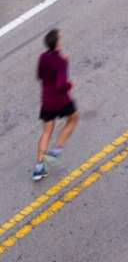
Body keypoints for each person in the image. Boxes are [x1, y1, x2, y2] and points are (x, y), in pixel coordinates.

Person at [33, 28, 78, 182]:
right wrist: (69, 84)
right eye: (60, 38)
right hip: (61, 100)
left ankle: (38, 168)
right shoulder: (61, 60)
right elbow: (61, 84)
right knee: (73, 119)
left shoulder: (42, 57)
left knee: (46, 131)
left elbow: (39, 75)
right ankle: (56, 150)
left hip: (46, 100)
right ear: (57, 43)